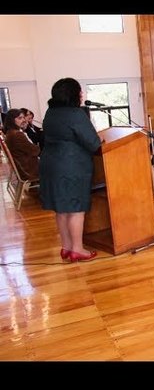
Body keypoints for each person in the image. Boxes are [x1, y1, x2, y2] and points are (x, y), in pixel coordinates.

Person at [39, 78, 102, 263]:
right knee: (76, 208)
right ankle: (78, 249)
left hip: (51, 163)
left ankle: (66, 247)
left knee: (61, 209)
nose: (82, 94)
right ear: (73, 93)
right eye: (80, 91)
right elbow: (93, 142)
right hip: (71, 166)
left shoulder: (51, 112)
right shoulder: (76, 114)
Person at [3, 109, 40, 180]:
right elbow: (35, 151)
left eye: (23, 117)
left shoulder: (11, 132)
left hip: (25, 166)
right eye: (20, 118)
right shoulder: (17, 135)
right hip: (29, 169)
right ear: (11, 120)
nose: (23, 120)